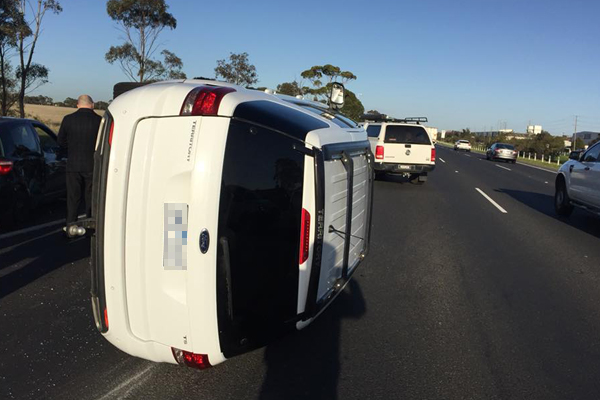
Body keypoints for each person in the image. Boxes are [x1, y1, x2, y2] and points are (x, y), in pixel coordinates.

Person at [57, 94, 101, 237]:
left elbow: (60, 141)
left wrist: (70, 149)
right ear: (92, 105)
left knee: (73, 198)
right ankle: (90, 227)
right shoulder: (99, 121)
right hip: (92, 165)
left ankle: (71, 226)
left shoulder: (68, 120)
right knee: (90, 197)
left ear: (77, 105)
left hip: (73, 164)